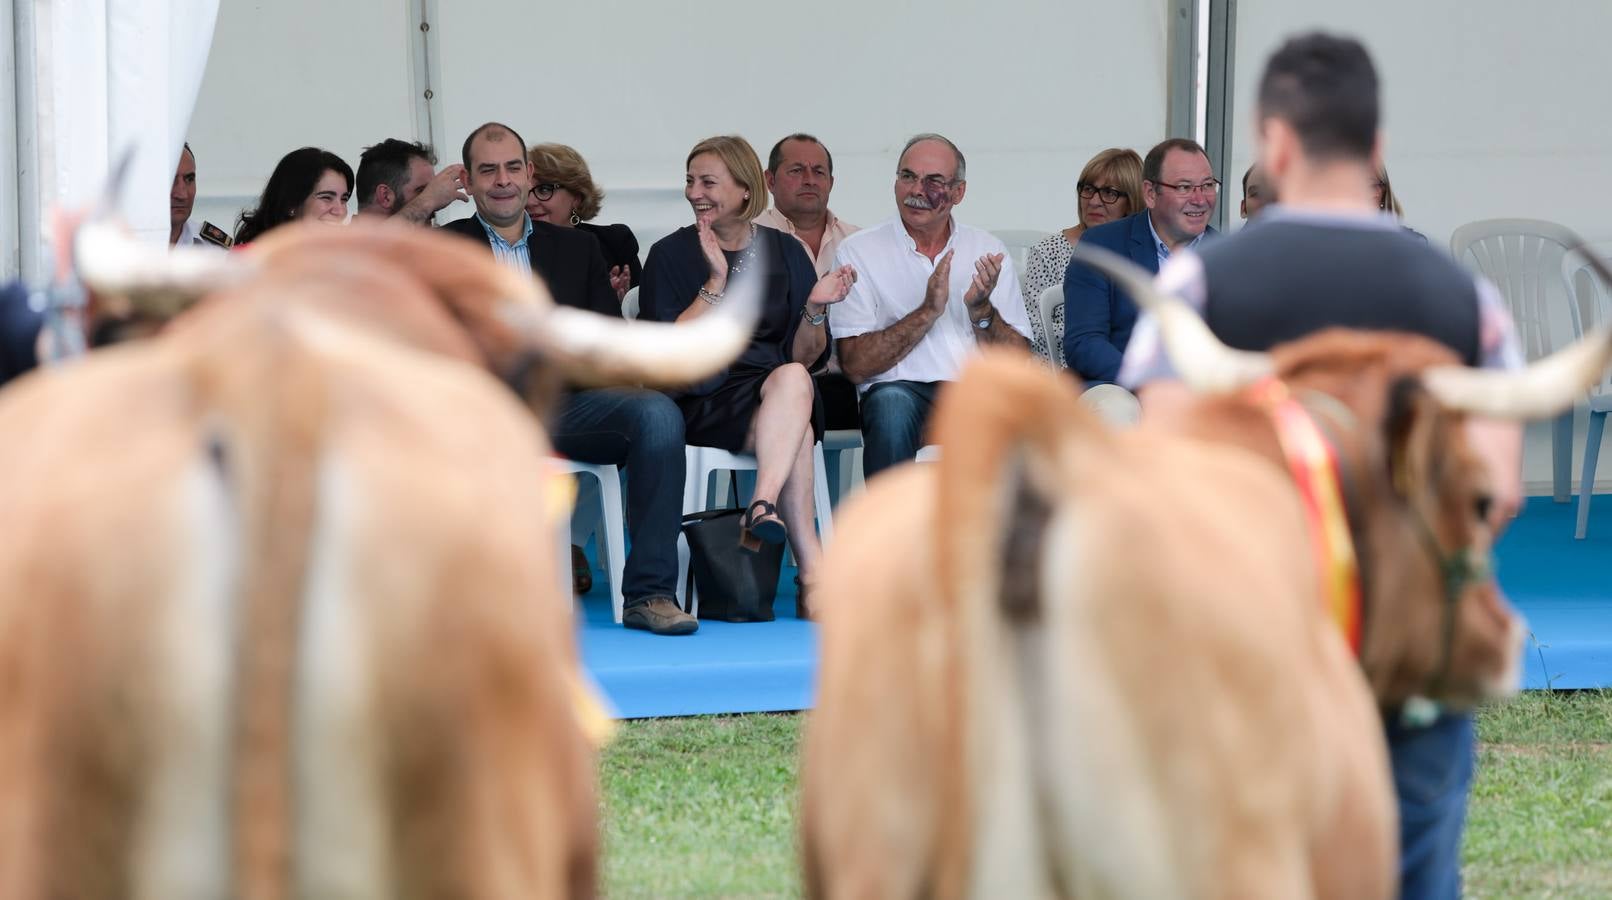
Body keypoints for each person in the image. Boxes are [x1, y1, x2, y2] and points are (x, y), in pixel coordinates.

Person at [1118, 32, 1524, 900]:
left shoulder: (1193, 289)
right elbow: (1498, 492)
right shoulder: (1462, 297)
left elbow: (1162, 487)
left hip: (1242, 659)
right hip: (1412, 660)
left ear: (1274, 148)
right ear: (1375, 149)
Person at [440, 122, 698, 635]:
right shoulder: (443, 250)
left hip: (564, 404)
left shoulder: (578, 249)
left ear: (528, 173)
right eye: (488, 170)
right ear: (468, 181)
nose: (502, 180)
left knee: (657, 416)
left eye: (513, 167)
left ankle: (649, 594)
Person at [640, 135, 856, 613]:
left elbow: (808, 354)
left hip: (774, 391)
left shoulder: (785, 251)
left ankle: (761, 504)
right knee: (796, 427)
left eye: (709, 182)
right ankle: (813, 574)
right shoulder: (671, 254)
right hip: (702, 395)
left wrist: (816, 310)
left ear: (744, 190)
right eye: (690, 181)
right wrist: (715, 283)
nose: (695, 191)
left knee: (796, 378)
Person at [832, 133, 1031, 478]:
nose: (917, 190)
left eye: (933, 181)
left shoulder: (986, 249)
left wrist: (982, 313)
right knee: (890, 406)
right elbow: (855, 365)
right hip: (900, 395)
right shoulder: (858, 251)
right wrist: (927, 311)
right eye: (907, 176)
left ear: (958, 193)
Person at [1061, 137, 1220, 385]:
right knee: (1116, 408)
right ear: (1150, 194)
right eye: (1184, 187)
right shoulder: (1102, 245)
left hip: (1203, 394)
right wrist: (1147, 382)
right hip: (1122, 387)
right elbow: (1084, 342)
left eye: (1207, 185)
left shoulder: (1225, 255)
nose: (1200, 199)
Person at [757, 133, 863, 431]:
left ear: (831, 182)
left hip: (846, 382)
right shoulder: (748, 240)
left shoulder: (860, 244)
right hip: (770, 382)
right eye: (796, 170)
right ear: (770, 180)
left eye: (819, 171)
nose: (809, 179)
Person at [1022, 148, 1143, 361]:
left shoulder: (1146, 250)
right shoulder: (1049, 252)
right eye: (1088, 189)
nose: (1094, 201)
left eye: (1109, 193)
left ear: (1132, 200)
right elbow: (1036, 335)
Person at [524, 142, 640, 301]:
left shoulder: (615, 242)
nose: (529, 202)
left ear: (577, 197)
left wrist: (622, 304)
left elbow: (645, 314)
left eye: (544, 189)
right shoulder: (507, 249)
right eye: (524, 190)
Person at [233, 147, 353, 245]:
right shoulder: (250, 260)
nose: (340, 211)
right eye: (326, 197)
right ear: (292, 204)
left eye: (344, 199)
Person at [354, 138, 467, 226]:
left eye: (432, 189)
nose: (437, 203)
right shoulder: (343, 248)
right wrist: (428, 201)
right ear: (385, 196)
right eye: (422, 191)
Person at [168, 144, 230, 249]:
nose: (182, 195)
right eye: (170, 180)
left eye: (189, 179)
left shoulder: (215, 250)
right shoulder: (131, 246)